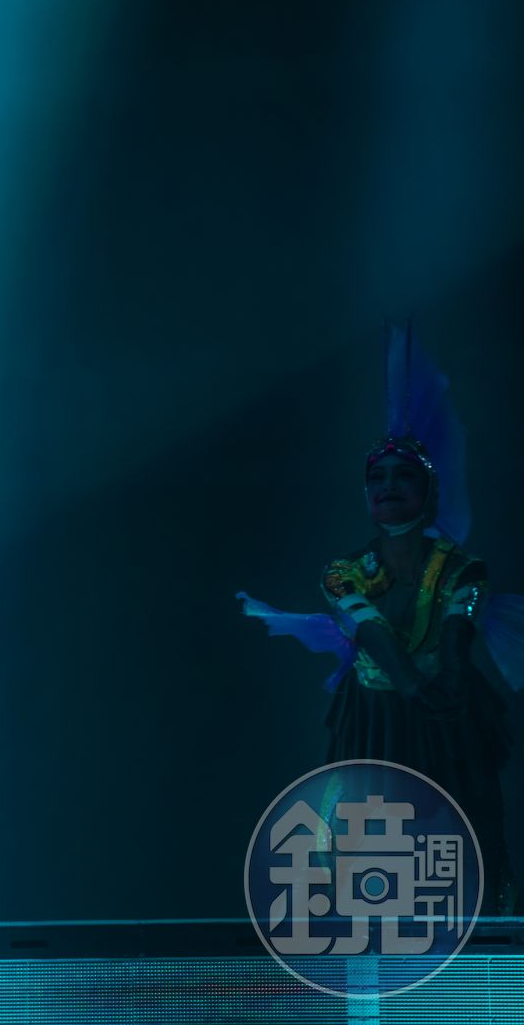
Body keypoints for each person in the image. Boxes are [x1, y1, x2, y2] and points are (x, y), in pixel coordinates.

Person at [240, 326, 523, 913]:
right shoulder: (343, 573)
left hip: (447, 709)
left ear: (429, 491)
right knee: (368, 828)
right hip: (375, 715)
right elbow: (371, 632)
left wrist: (445, 687)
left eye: (403, 476)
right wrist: (412, 683)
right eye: (378, 477)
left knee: (465, 820)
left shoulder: (462, 569)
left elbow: (456, 631)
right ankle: (372, 935)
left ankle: (480, 933)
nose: (388, 485)